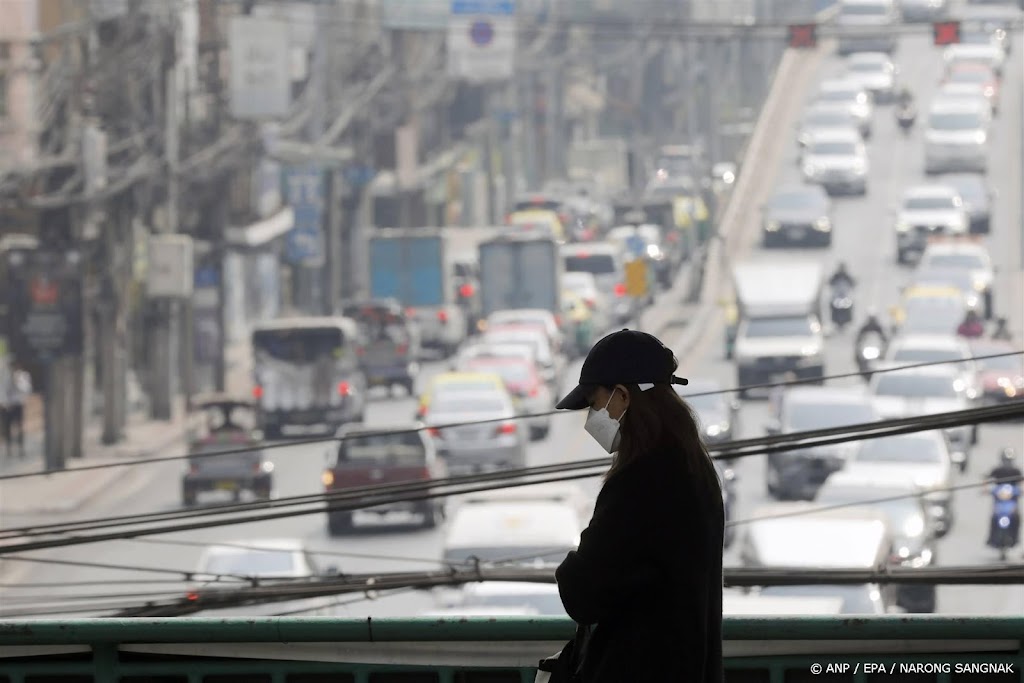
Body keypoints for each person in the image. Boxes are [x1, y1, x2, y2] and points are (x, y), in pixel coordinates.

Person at [551, 329, 723, 683]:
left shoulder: (641, 480)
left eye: (594, 403)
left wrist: (570, 566)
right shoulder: (692, 465)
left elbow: (584, 593)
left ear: (623, 396)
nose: (592, 417)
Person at [3, 363, 31, 458]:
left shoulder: (23, 376)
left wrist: (16, 381)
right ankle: (8, 449)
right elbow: (2, 390)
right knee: (7, 428)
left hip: (18, 405)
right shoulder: (4, 376)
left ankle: (21, 449)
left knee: (19, 427)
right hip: (6, 406)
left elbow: (26, 390)